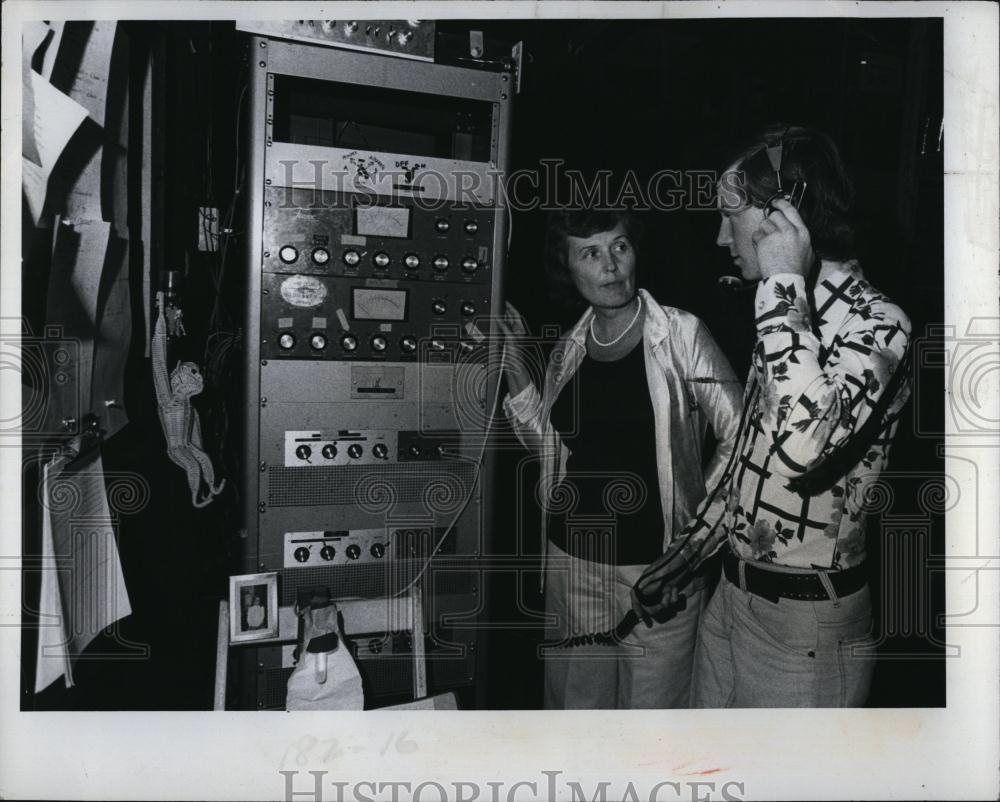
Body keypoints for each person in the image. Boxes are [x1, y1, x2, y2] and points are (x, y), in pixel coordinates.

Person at [632, 125, 912, 707]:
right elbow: (749, 465)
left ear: (786, 214)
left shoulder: (881, 325)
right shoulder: (791, 314)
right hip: (731, 600)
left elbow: (802, 450)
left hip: (805, 629)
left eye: (729, 215)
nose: (719, 237)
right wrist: (686, 555)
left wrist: (783, 281)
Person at [499, 208, 742, 708]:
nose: (610, 265)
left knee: (652, 726)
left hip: (656, 576)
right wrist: (518, 365)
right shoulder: (570, 348)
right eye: (590, 252)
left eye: (619, 247)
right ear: (568, 269)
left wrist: (689, 551)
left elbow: (742, 440)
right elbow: (550, 450)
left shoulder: (681, 335)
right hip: (572, 564)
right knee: (576, 717)